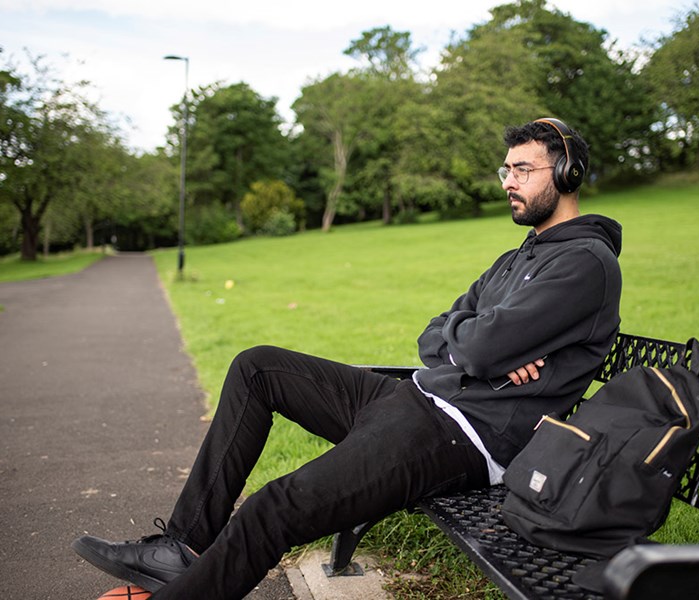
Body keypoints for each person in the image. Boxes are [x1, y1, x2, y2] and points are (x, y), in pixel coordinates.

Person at [72, 118, 623, 599]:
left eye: (522, 170)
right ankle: (182, 547)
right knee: (258, 366)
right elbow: (434, 337)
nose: (508, 181)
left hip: (465, 436)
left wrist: (480, 347)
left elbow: (477, 347)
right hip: (417, 398)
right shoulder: (516, 257)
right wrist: (479, 345)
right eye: (505, 169)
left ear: (568, 173)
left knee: (274, 507)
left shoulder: (585, 263)